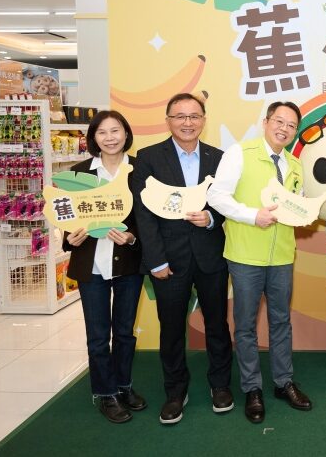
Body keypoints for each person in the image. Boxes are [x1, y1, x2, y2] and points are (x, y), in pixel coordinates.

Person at [207, 101, 312, 424]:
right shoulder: (240, 153)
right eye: (279, 121)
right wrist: (253, 216)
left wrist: (308, 212)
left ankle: (283, 382)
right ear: (265, 122)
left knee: (281, 321)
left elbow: (295, 205)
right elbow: (216, 196)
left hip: (282, 256)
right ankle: (252, 388)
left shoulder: (295, 164)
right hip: (245, 255)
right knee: (246, 325)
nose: (284, 129)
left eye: (291, 125)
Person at [132, 93, 233, 425]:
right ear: (168, 120)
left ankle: (220, 385)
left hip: (210, 257)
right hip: (168, 260)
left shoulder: (220, 158)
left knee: (217, 325)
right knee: (172, 328)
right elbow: (143, 214)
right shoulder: (148, 158)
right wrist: (155, 261)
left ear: (203, 119)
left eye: (194, 116)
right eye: (180, 116)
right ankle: (175, 392)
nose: (187, 122)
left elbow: (227, 202)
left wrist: (212, 218)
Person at [63, 110, 145, 424]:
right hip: (92, 265)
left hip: (128, 265)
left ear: (126, 134)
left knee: (124, 333)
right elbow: (65, 217)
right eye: (102, 132)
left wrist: (132, 237)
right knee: (98, 336)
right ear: (93, 138)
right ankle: (105, 393)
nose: (110, 138)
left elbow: (148, 220)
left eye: (115, 131)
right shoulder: (78, 173)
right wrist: (69, 237)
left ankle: (124, 386)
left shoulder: (140, 170)